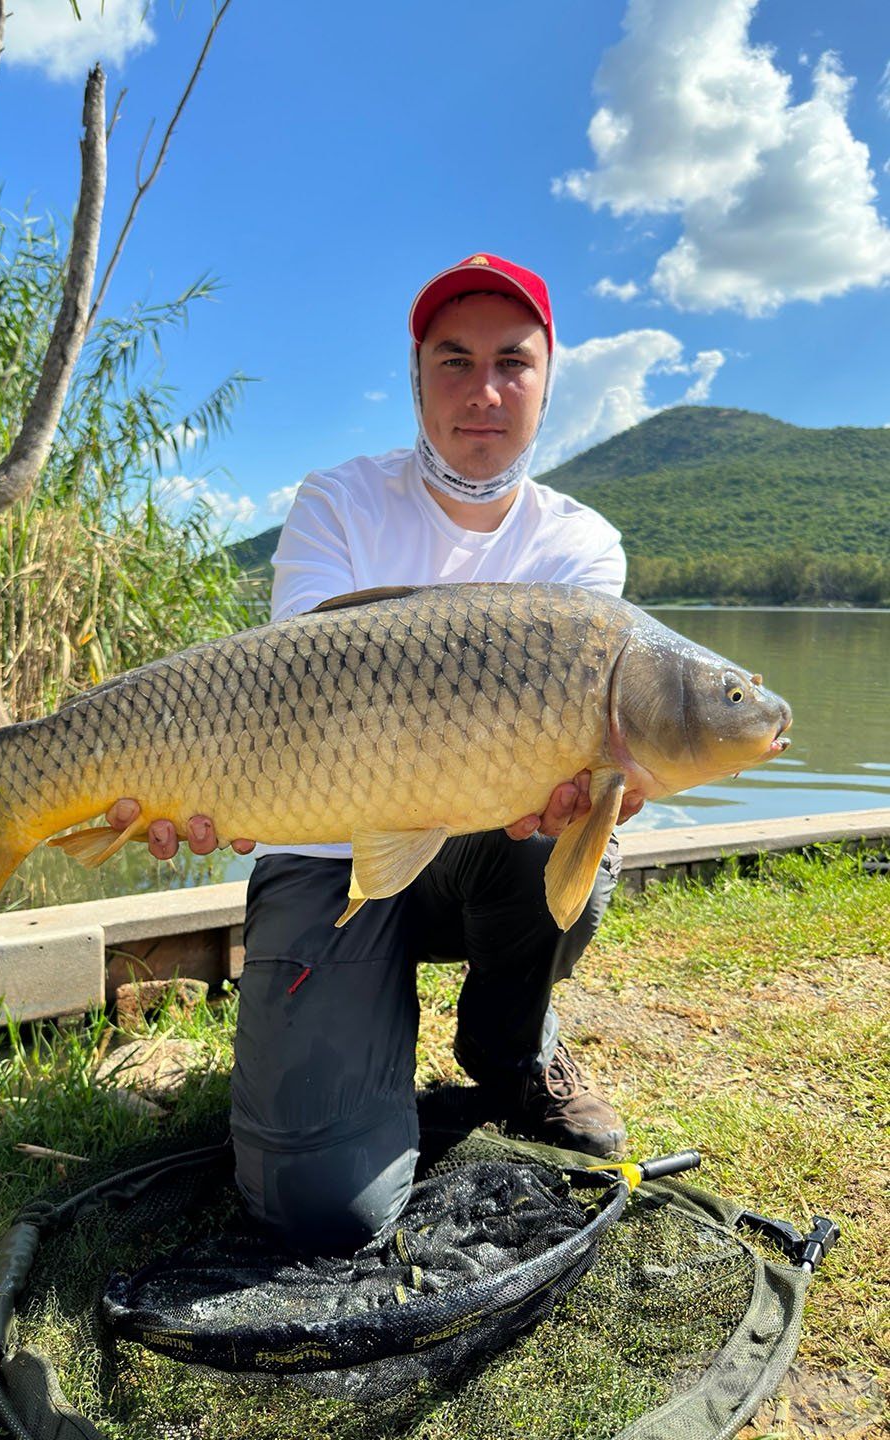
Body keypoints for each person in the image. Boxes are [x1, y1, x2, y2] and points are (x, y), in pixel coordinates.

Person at [107, 254, 645, 1253]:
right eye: (454, 362)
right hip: (330, 851)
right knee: (320, 1211)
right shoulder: (339, 503)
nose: (483, 393)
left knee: (571, 844)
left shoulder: (582, 552)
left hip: (484, 856)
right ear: (415, 376)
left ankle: (508, 1050)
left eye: (511, 364)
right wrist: (182, 792)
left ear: (548, 379)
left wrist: (587, 792)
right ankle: (354, 1040)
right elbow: (285, 706)